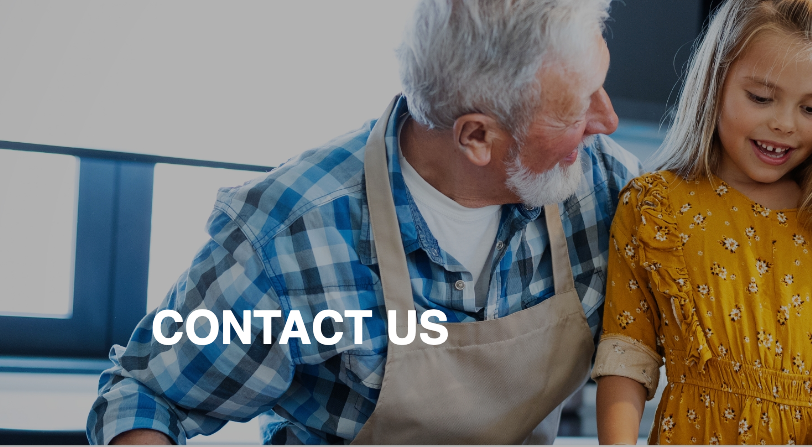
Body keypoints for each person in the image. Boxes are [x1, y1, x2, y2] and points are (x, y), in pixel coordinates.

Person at [86, 0, 640, 444]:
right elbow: (147, 396)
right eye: (574, 111)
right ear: (476, 136)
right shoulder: (291, 239)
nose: (607, 119)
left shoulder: (602, 189)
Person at [591, 0, 812, 444]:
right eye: (761, 98)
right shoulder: (656, 208)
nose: (784, 124)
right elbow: (627, 354)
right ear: (716, 80)